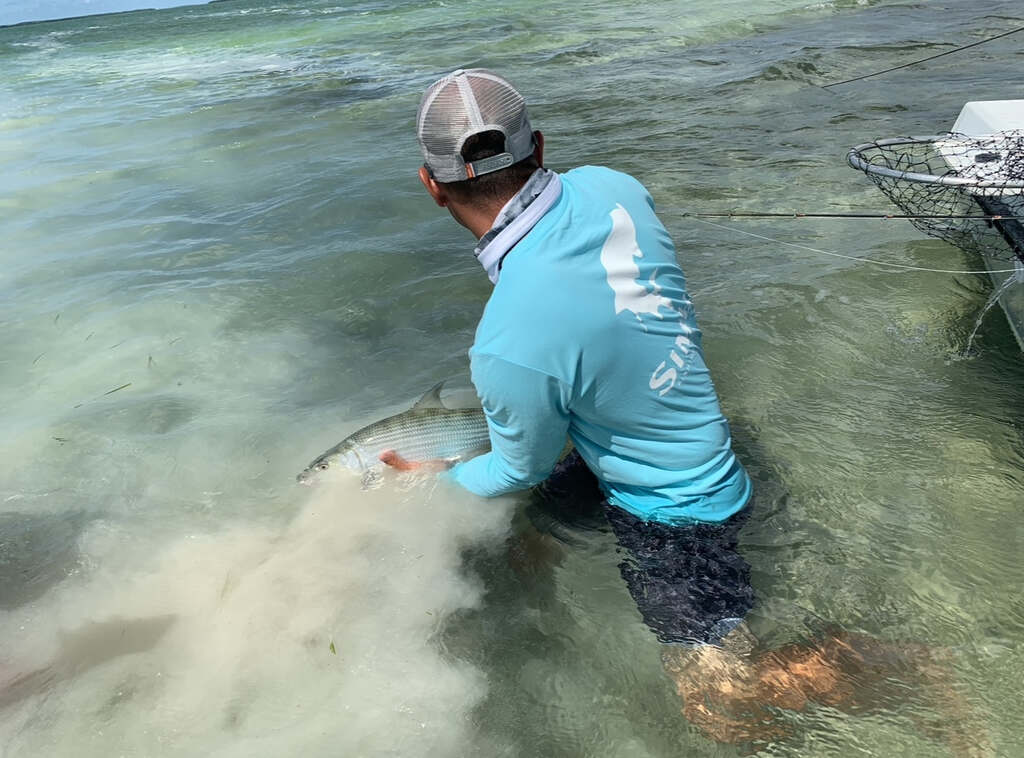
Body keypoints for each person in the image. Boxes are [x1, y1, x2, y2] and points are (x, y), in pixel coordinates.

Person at [389, 68, 991, 751]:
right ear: (542, 146)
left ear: (431, 185)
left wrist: (430, 479)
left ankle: (908, 665)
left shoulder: (506, 343)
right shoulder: (617, 188)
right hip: (697, 435)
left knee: (723, 709)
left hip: (677, 516)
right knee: (532, 543)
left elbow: (513, 469)